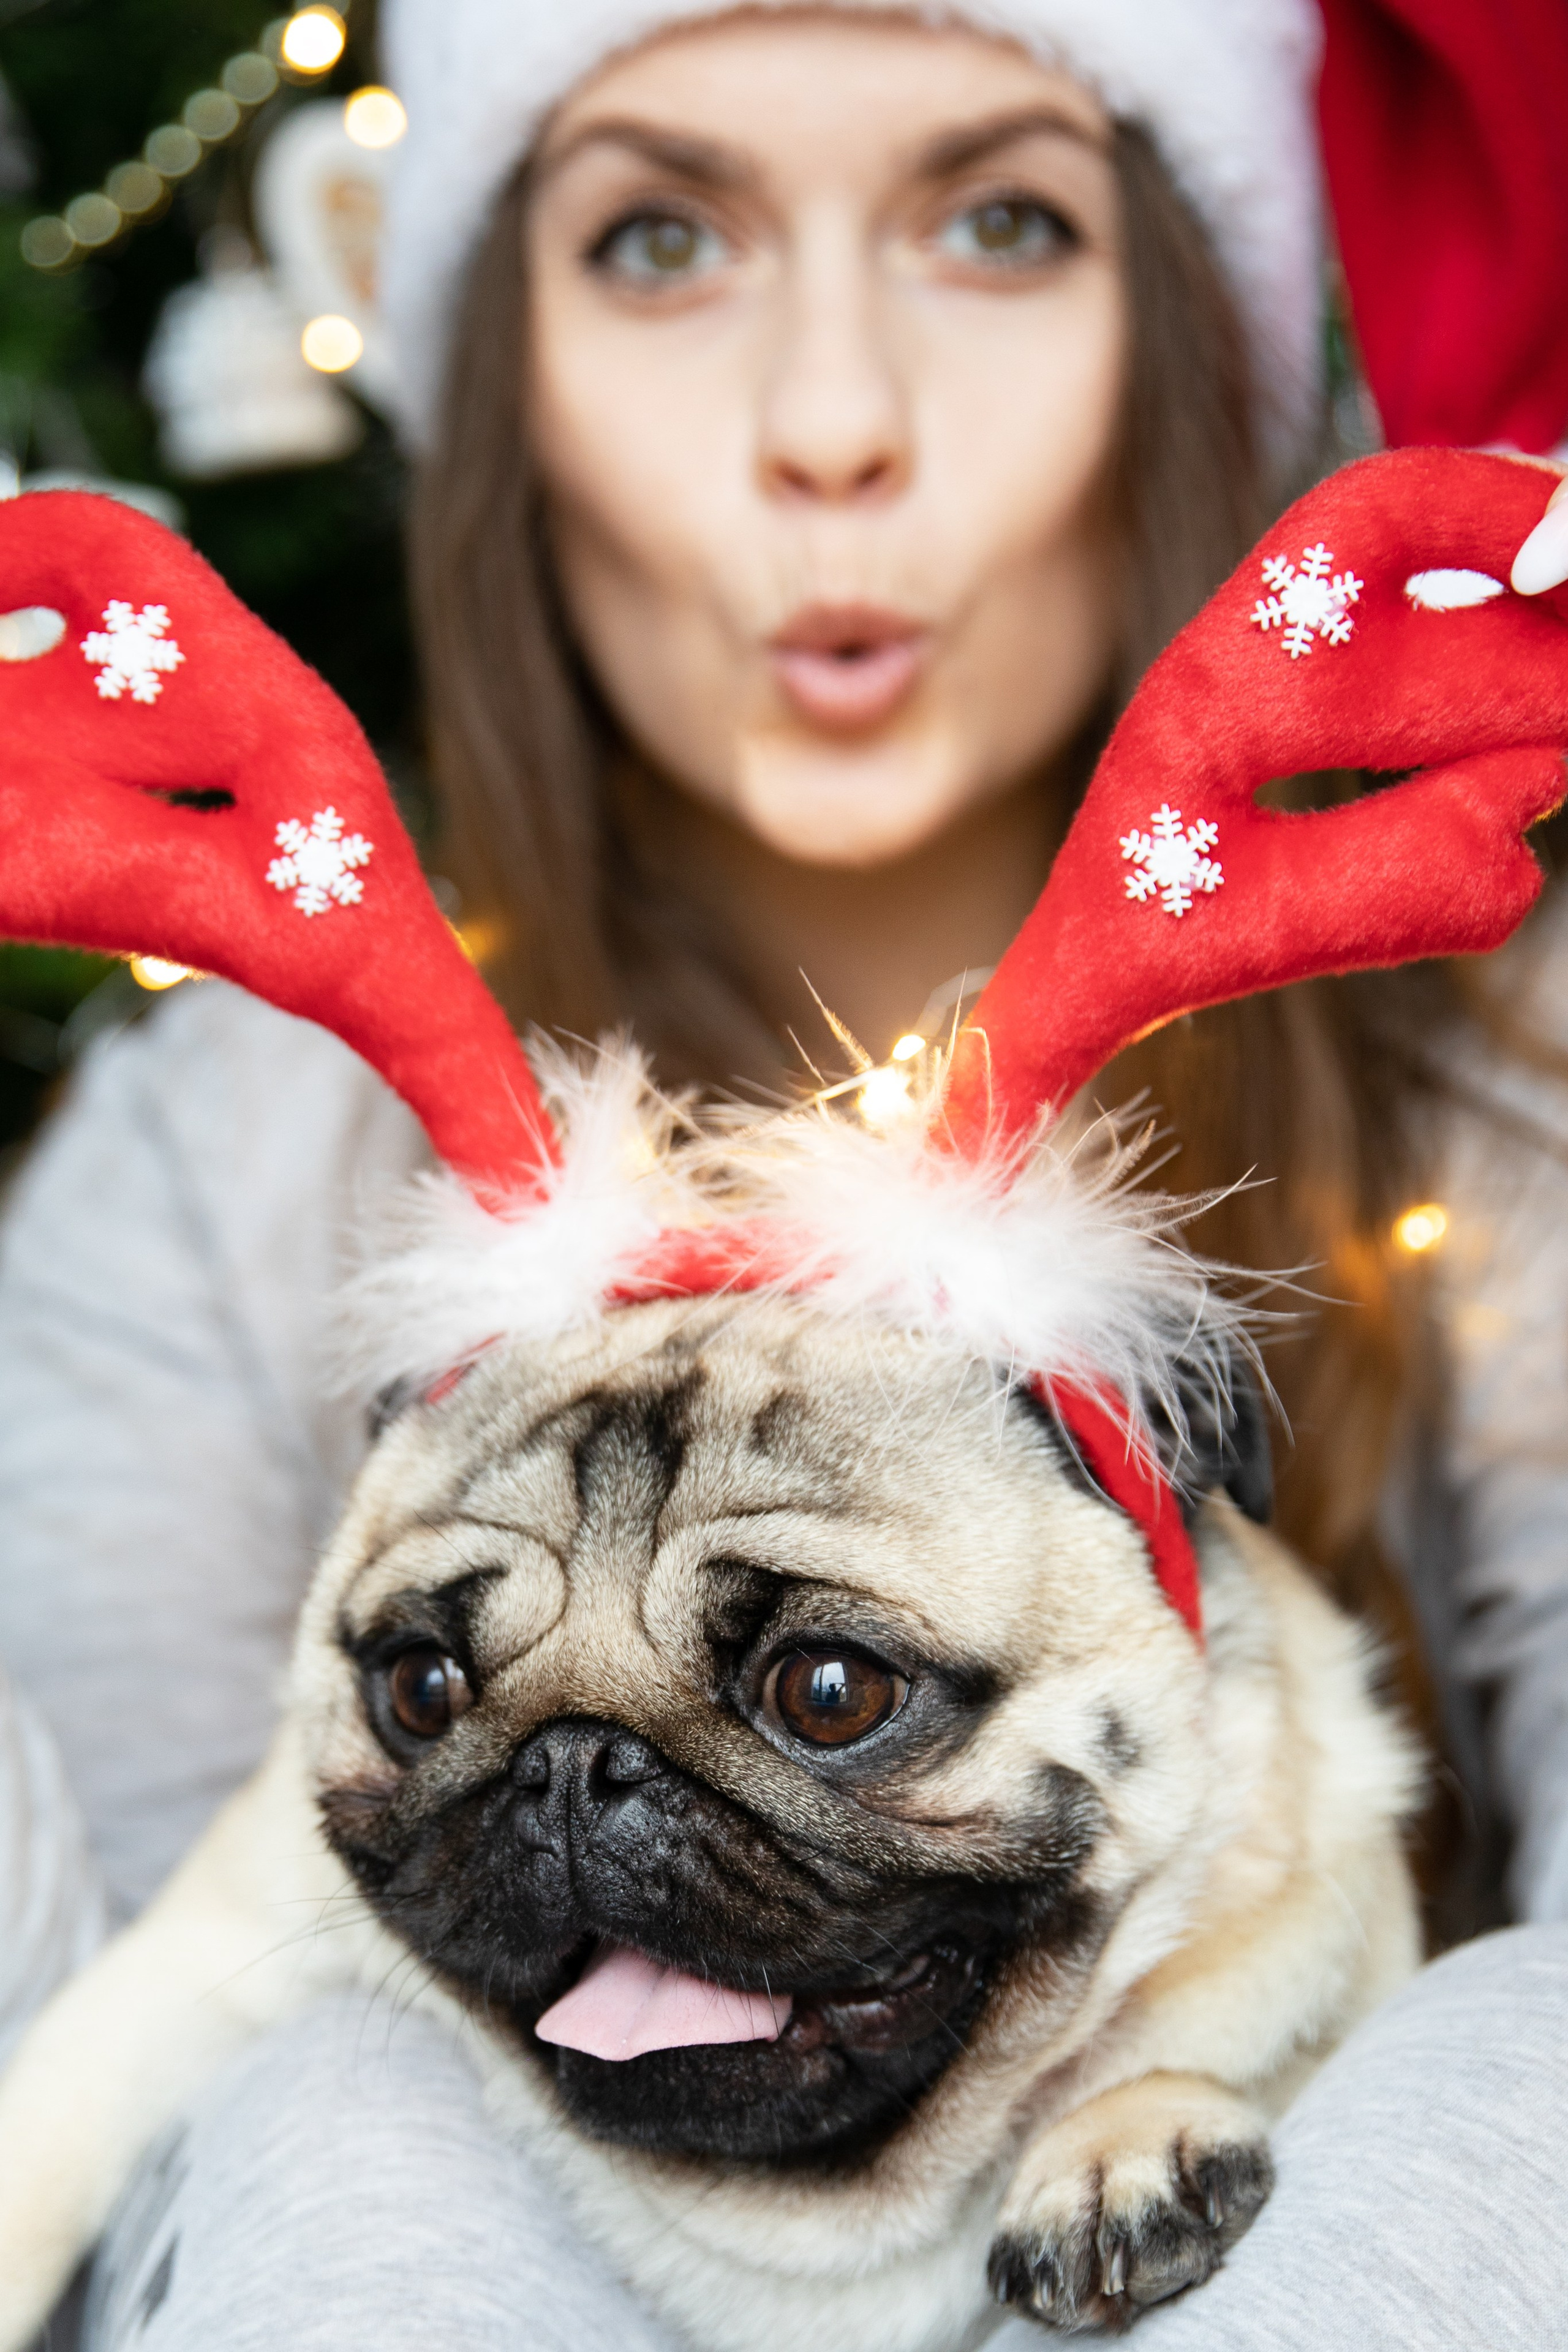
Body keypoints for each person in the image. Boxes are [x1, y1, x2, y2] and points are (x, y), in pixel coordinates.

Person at [3, 1, 1568, 2343]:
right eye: (659, 237)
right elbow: (129, 2117)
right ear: (491, 358)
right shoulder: (233, 1148)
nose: (833, 419)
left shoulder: (1503, 1099)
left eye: (999, 222)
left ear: (1187, 316)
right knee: (333, 2118)